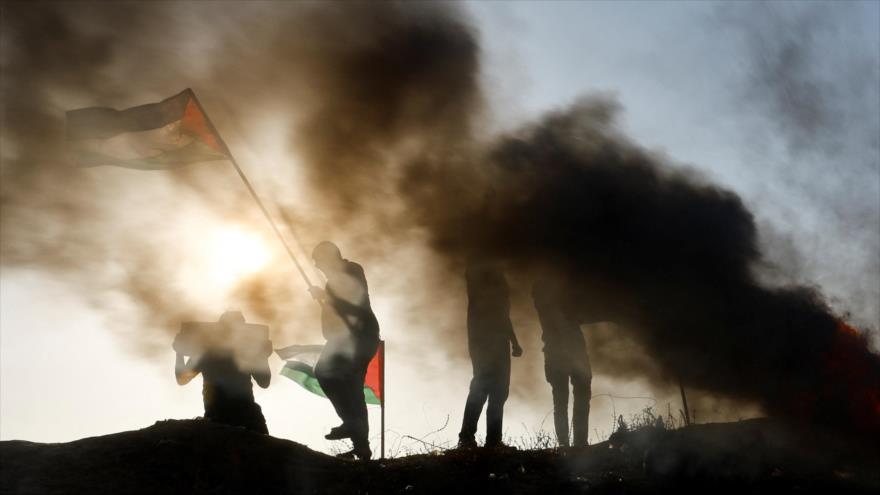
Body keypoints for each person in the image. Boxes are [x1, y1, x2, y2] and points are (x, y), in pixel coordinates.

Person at [309, 241, 380, 460]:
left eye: (319, 262)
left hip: (360, 336)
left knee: (329, 374)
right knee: (350, 386)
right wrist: (324, 298)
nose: (318, 267)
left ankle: (352, 426)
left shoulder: (352, 270)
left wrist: (327, 297)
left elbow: (355, 304)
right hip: (346, 338)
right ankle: (361, 445)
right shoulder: (332, 282)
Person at [458, 259, 523, 449]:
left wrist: (513, 340)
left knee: (495, 390)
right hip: (487, 342)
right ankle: (470, 438)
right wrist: (514, 341)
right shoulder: (483, 273)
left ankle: (487, 440)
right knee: (485, 387)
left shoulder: (486, 275)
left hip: (492, 342)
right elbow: (499, 313)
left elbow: (502, 314)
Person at [174, 311, 272, 434]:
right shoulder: (208, 352)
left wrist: (179, 353)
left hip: (236, 416)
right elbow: (265, 383)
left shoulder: (208, 352)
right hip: (227, 417)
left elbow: (264, 382)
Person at [532, 278, 592, 447]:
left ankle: (567, 444)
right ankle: (578, 443)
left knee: (561, 400)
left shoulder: (542, 298)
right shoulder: (557, 301)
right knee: (578, 397)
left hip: (557, 354)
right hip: (570, 353)